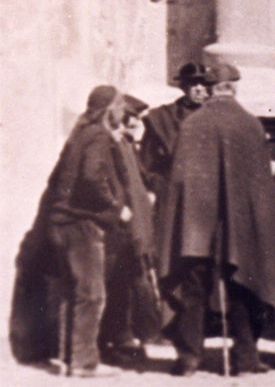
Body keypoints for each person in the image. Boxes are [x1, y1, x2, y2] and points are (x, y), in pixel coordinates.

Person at [157, 62, 275, 377]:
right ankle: (245, 358)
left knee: (193, 289)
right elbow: (261, 184)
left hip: (196, 226)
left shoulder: (192, 124)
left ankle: (189, 358)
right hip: (241, 226)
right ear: (233, 87)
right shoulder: (251, 125)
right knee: (244, 285)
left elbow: (180, 180)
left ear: (211, 87)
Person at [46, 85, 132, 378]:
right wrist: (116, 206)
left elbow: (57, 178)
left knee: (74, 293)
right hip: (82, 225)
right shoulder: (98, 137)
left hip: (62, 223)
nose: (124, 111)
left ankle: (67, 359)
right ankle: (84, 363)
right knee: (92, 294)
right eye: (120, 105)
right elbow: (92, 176)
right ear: (109, 109)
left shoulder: (78, 135)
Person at [99, 95, 160, 366]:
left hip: (136, 228)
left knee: (131, 284)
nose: (136, 123)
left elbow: (140, 177)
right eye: (132, 117)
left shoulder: (125, 144)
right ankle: (115, 341)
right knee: (118, 285)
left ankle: (127, 337)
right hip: (123, 229)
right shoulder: (111, 144)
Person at [138, 62, 209, 219]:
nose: (198, 88)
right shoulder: (163, 118)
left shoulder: (216, 116)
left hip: (208, 198)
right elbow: (146, 165)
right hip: (173, 199)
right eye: (192, 83)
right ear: (183, 87)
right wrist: (162, 188)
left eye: (203, 83)